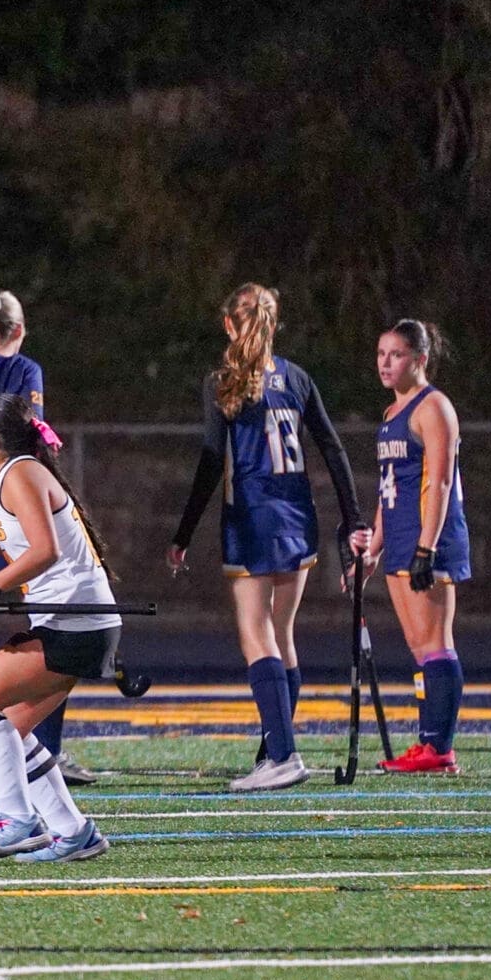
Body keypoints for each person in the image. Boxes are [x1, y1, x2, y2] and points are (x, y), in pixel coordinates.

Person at [167, 284, 361, 791]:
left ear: (230, 325)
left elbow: (211, 462)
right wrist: (354, 519)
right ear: (273, 324)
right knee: (282, 634)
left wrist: (183, 532)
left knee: (256, 633)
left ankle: (283, 754)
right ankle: (274, 749)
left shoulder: (223, 381)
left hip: (252, 516)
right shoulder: (295, 376)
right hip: (297, 516)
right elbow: (334, 450)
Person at [0, 392, 119, 863]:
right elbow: (1, 544)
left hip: (76, 621)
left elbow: (44, 551)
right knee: (8, 731)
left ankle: (17, 821)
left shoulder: (22, 472)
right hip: (74, 620)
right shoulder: (9, 478)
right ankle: (74, 831)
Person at [0, 292, 92, 788]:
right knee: (47, 640)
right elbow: (31, 438)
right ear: (19, 329)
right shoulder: (25, 370)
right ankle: (32, 753)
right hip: (9, 513)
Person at [352, 319, 470, 774]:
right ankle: (428, 745)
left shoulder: (433, 407)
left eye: (395, 354)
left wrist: (427, 546)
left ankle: (439, 748)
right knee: (419, 648)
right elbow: (388, 489)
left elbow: (438, 480)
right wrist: (374, 550)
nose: (385, 363)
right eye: (381, 354)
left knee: (436, 642)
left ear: (418, 360)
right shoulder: (389, 414)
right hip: (401, 536)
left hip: (429, 537)